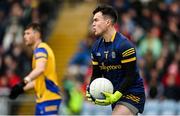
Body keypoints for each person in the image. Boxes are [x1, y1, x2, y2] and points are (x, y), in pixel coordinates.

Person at [86, 5, 145, 115]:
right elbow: (96, 74)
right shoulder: (96, 47)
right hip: (114, 95)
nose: (93, 24)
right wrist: (91, 89)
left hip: (132, 93)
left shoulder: (124, 45)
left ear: (108, 22)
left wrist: (117, 94)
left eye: (96, 20)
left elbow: (130, 76)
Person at [9, 23, 62, 115]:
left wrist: (23, 82)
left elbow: (40, 69)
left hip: (49, 98)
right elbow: (38, 80)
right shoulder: (40, 50)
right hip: (42, 99)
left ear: (37, 34)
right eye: (24, 34)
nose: (25, 36)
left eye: (28, 33)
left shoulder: (41, 49)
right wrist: (21, 89)